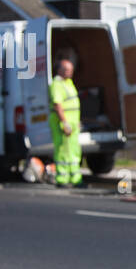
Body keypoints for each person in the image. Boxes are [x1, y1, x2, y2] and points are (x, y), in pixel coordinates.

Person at [49, 58, 82, 187]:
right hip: (63, 124)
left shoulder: (68, 82)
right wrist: (65, 122)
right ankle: (62, 179)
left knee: (73, 151)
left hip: (72, 124)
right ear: (59, 70)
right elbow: (58, 105)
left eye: (71, 70)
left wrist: (76, 122)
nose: (70, 72)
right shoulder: (57, 84)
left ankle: (75, 179)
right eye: (67, 70)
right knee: (63, 152)